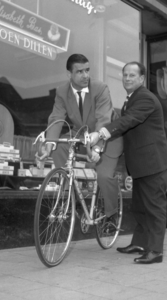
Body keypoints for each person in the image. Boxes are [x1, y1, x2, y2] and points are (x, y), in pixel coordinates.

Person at [89, 62, 167, 264]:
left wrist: (101, 132)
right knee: (140, 207)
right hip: (142, 164)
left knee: (154, 207)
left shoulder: (145, 98)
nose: (127, 78)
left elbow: (127, 122)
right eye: (125, 75)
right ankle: (141, 243)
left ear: (141, 79)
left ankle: (155, 251)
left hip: (153, 163)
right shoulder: (130, 100)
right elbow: (125, 130)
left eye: (132, 75)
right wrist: (101, 147)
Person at [35, 53, 123, 227]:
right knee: (59, 145)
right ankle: (68, 196)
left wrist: (97, 148)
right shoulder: (62, 91)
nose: (85, 75)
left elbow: (104, 119)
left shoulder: (100, 88)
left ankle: (111, 215)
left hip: (108, 135)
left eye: (87, 70)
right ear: (69, 74)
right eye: (80, 71)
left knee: (104, 176)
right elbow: (56, 118)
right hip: (82, 133)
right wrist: (49, 144)